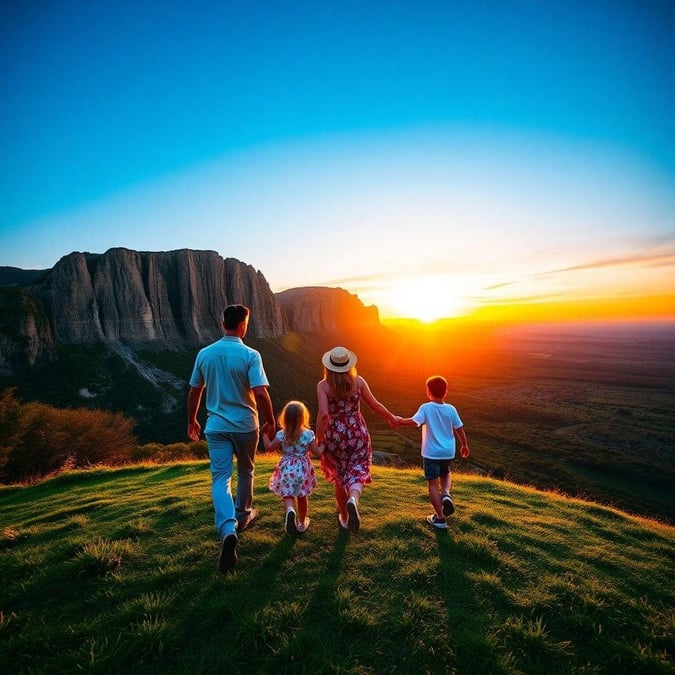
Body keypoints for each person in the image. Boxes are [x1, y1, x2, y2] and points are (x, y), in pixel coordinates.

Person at [187, 304, 275, 573]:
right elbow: (260, 393)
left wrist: (191, 420)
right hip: (246, 426)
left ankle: (227, 529)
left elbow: (194, 391)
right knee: (246, 471)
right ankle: (243, 514)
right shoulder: (250, 354)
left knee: (220, 478)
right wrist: (271, 419)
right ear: (242, 325)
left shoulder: (205, 353)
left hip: (216, 426)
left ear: (222, 322)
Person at [316, 345, 397, 533]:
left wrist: (320, 440)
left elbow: (323, 414)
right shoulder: (358, 382)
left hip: (334, 435)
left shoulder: (324, 386)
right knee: (358, 468)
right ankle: (353, 498)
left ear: (329, 367)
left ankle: (344, 516)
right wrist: (392, 418)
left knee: (338, 475)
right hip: (357, 432)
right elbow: (375, 405)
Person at [394, 375, 470, 530]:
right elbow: (459, 428)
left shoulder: (426, 407)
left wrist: (399, 420)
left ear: (428, 392)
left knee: (433, 485)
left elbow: (415, 421)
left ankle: (440, 518)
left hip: (431, 453)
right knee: (446, 472)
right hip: (447, 451)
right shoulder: (451, 409)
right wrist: (464, 445)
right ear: (446, 392)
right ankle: (447, 494)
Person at [263, 400, 323, 534]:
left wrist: (265, 435)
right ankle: (301, 523)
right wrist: (323, 443)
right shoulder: (308, 434)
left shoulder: (282, 434)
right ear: (303, 417)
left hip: (286, 469)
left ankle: (290, 511)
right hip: (302, 469)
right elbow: (317, 452)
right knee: (302, 497)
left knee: (288, 495)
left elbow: (269, 448)